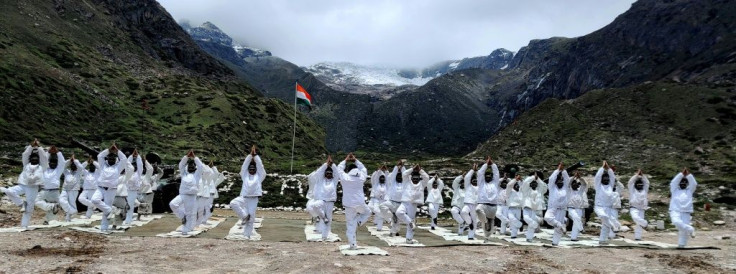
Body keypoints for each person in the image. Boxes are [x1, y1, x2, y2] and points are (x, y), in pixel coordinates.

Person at [0, 139, 47, 228]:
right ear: (30, 159)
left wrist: (39, 147)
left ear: (38, 159)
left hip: (33, 187)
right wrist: (31, 146)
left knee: (29, 207)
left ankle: (24, 225)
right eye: (32, 157)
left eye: (36, 158)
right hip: (23, 185)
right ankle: (22, 204)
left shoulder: (42, 166)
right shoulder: (26, 165)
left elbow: (44, 157)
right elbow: (25, 155)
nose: (34, 159)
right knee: (9, 191)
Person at [336, 153, 372, 250]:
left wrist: (345, 160)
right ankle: (359, 222)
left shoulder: (345, 178)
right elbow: (364, 169)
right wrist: (356, 160)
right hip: (360, 203)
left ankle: (352, 244)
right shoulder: (361, 177)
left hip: (348, 204)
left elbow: (339, 169)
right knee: (368, 212)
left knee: (350, 224)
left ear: (348, 170)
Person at [229, 146, 265, 239]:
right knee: (233, 203)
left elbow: (261, 167)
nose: (251, 170)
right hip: (244, 197)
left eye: (253, 169)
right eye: (250, 169)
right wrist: (250, 156)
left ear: (255, 170)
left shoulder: (260, 176)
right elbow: (244, 166)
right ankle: (244, 216)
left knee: (251, 217)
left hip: (253, 199)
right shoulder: (244, 175)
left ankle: (246, 235)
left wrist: (256, 156)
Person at [91, 143, 127, 232]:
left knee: (106, 210)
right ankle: (111, 210)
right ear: (107, 159)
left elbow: (124, 159)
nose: (111, 159)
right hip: (100, 188)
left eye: (113, 158)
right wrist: (108, 150)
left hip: (111, 190)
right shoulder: (103, 165)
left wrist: (117, 151)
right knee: (94, 200)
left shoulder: (118, 167)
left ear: (115, 159)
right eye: (110, 158)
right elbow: (100, 156)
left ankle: (104, 227)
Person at [171, 150, 204, 235]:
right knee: (173, 204)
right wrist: (186, 157)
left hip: (191, 196)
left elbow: (201, 166)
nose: (191, 167)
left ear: (195, 168)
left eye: (192, 166)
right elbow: (181, 165)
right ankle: (182, 216)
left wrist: (195, 158)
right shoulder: (184, 174)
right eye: (189, 166)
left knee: (190, 214)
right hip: (182, 195)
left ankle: (187, 228)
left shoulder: (197, 175)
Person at [307, 155, 338, 241]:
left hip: (330, 201)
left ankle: (324, 236)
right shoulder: (321, 180)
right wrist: (326, 164)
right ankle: (322, 217)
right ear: (325, 174)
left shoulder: (334, 181)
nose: (328, 175)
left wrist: (333, 165)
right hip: (322, 200)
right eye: (327, 173)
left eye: (330, 174)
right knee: (314, 206)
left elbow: (337, 173)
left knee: (329, 219)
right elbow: (319, 173)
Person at [396, 164, 430, 244]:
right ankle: (410, 223)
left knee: (411, 218)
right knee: (399, 212)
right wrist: (412, 169)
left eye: (416, 178)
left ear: (419, 178)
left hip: (413, 205)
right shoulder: (406, 182)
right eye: (414, 178)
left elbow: (426, 177)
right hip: (405, 202)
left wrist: (420, 170)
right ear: (411, 177)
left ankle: (409, 239)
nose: (415, 180)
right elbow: (404, 174)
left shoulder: (422, 184)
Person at [36, 145, 65, 224]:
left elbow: (62, 163)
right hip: (44, 190)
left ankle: (49, 221)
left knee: (53, 209)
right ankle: (52, 206)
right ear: (49, 162)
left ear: (56, 163)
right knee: (36, 201)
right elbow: (43, 160)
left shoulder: (58, 170)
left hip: (54, 191)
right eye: (51, 162)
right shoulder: (45, 169)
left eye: (54, 162)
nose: (53, 164)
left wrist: (58, 153)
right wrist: (48, 152)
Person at [669, 168, 697, 248]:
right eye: (681, 182)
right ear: (679, 183)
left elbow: (694, 184)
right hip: (675, 210)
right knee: (676, 222)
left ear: (687, 184)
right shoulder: (674, 190)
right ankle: (691, 229)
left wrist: (688, 175)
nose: (683, 183)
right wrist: (681, 174)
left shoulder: (689, 190)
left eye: (685, 182)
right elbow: (673, 182)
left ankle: (682, 245)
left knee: (683, 231)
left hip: (686, 211)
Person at [475, 157, 500, 241]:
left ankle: (487, 237)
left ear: (491, 177)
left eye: (490, 176)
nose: (488, 177)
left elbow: (496, 173)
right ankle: (485, 222)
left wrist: (493, 164)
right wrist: (486, 164)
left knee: (491, 222)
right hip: (483, 203)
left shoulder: (495, 183)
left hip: (493, 205)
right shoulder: (481, 183)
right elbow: (480, 173)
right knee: (478, 210)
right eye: (487, 176)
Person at [544, 163, 570, 246]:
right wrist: (558, 170)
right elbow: (551, 179)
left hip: (562, 209)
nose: (560, 182)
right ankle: (561, 224)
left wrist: (564, 171)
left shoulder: (565, 188)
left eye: (561, 181)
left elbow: (567, 180)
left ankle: (555, 243)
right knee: (547, 217)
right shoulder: (552, 187)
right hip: (553, 208)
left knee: (558, 230)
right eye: (558, 181)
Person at [379, 161, 407, 237]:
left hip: (400, 204)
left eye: (400, 176)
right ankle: (391, 215)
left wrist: (403, 167)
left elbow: (405, 175)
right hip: (392, 202)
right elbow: (393, 175)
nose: (398, 177)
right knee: (382, 206)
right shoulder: (393, 182)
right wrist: (397, 167)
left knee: (396, 221)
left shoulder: (405, 183)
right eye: (397, 176)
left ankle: (393, 232)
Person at [593, 161, 618, 244]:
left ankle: (602, 240)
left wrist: (609, 169)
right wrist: (602, 168)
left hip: (608, 207)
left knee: (605, 225)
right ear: (602, 179)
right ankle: (612, 226)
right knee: (604, 217)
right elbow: (597, 177)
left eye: (607, 178)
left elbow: (612, 177)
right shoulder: (598, 186)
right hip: (599, 206)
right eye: (604, 178)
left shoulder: (610, 186)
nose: (606, 180)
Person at [521, 174, 547, 242]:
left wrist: (538, 179)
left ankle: (529, 238)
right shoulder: (526, 190)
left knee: (531, 226)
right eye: (532, 183)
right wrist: (533, 177)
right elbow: (525, 182)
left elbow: (543, 186)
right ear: (530, 184)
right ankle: (536, 223)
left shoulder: (539, 191)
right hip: (527, 207)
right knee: (526, 218)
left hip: (534, 209)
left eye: (535, 183)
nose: (534, 184)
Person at [60, 155, 84, 222]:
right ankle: (73, 211)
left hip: (74, 190)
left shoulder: (79, 172)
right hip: (65, 189)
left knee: (71, 203)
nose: (73, 166)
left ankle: (68, 219)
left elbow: (81, 167)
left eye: (74, 165)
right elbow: (62, 166)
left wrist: (75, 161)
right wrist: (69, 161)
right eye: (72, 165)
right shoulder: (67, 172)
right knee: (61, 200)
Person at [628, 169, 650, 241]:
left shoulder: (644, 190)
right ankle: (645, 224)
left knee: (638, 224)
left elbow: (647, 183)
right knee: (635, 218)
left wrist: (643, 176)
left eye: (641, 185)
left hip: (641, 208)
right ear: (635, 185)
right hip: (634, 208)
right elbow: (630, 182)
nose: (640, 186)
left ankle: (638, 237)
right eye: (638, 185)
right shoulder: (632, 190)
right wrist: (636, 175)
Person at [123, 150, 143, 225]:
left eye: (135, 166)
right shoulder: (128, 172)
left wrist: (138, 156)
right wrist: (131, 156)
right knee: (124, 205)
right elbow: (127, 164)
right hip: (125, 191)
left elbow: (140, 165)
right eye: (132, 165)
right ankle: (124, 217)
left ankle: (128, 220)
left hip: (133, 191)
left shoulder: (138, 173)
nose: (133, 167)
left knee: (130, 206)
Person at [567, 172, 589, 241]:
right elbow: (568, 182)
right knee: (576, 218)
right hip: (571, 208)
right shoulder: (569, 190)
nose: (575, 184)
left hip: (579, 209)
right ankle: (581, 229)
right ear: (571, 184)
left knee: (575, 223)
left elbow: (584, 184)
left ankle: (573, 237)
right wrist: (573, 177)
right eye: (573, 183)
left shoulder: (580, 191)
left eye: (576, 183)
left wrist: (580, 178)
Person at [462, 164, 480, 240]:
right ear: (471, 181)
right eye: (473, 181)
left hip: (476, 205)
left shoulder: (480, 187)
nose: (475, 182)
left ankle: (471, 236)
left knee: (475, 220)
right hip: (468, 204)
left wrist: (478, 172)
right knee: (463, 212)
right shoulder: (468, 186)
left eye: (476, 181)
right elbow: (467, 178)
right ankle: (469, 223)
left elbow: (481, 178)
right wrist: (473, 170)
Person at [368, 166, 388, 230]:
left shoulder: (386, 184)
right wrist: (379, 171)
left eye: (383, 178)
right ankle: (384, 219)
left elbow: (388, 178)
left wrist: (386, 171)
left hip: (383, 201)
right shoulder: (376, 184)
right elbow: (375, 178)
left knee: (380, 213)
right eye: (381, 178)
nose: (382, 179)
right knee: (375, 210)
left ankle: (379, 227)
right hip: (376, 200)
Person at [195, 161, 214, 226]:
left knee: (204, 208)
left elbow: (209, 172)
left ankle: (202, 221)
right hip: (195, 194)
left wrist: (206, 166)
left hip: (203, 195)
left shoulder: (206, 177)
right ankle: (195, 221)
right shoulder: (197, 175)